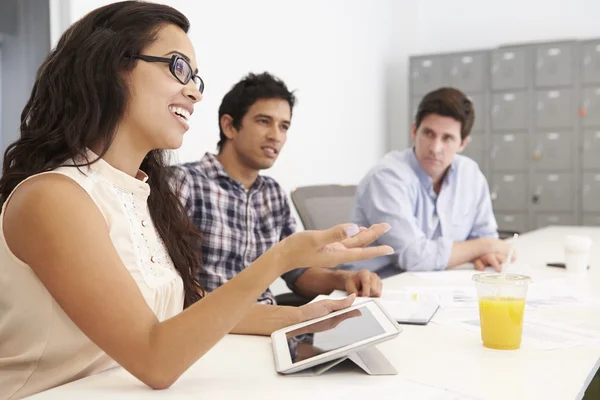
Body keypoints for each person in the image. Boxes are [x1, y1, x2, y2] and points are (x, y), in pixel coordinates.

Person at [0, 2, 393, 398]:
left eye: (196, 77)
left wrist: (299, 317)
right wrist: (281, 256)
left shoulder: (142, 194)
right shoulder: (54, 197)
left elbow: (185, 312)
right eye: (178, 67)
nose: (194, 92)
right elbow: (154, 358)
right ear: (111, 66)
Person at [171, 72, 383, 305]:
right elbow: (171, 284)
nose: (276, 136)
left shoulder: (272, 193)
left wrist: (345, 279)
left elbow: (297, 273)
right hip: (213, 331)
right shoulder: (185, 182)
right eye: (264, 121)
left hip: (271, 326)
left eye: (284, 127)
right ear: (230, 126)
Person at [343, 87, 512, 278]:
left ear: (463, 143)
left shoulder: (470, 174)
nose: (435, 148)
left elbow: (485, 234)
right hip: (375, 286)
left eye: (447, 138)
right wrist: (484, 247)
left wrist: (485, 251)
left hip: (434, 283)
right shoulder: (387, 177)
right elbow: (413, 257)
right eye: (428, 134)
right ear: (414, 131)